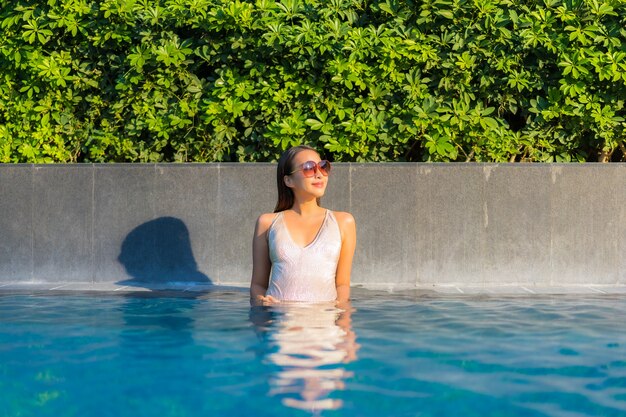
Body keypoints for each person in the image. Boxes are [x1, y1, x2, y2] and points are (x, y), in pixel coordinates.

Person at [250, 145, 356, 305]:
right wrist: (262, 303)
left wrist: (344, 325)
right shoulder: (267, 223)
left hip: (324, 325)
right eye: (308, 168)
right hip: (280, 324)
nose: (319, 174)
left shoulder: (343, 222)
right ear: (288, 180)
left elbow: (342, 285)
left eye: (323, 167)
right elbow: (258, 285)